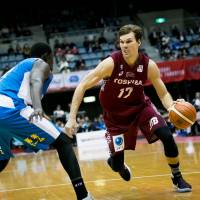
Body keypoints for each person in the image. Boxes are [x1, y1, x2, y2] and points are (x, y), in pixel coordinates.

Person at [66, 24, 192, 193]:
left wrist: (172, 107)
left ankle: (177, 177)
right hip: (114, 117)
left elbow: (163, 93)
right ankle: (117, 164)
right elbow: (82, 86)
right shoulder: (110, 64)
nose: (124, 45)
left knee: (166, 135)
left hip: (140, 108)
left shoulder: (148, 65)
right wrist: (72, 117)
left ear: (139, 42)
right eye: (121, 42)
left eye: (129, 41)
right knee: (117, 162)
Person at [0, 42, 93, 200]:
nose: (52, 62)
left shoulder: (20, 69)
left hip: (5, 111)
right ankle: (83, 196)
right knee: (63, 142)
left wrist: (42, 114)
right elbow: (35, 81)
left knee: (2, 158)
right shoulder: (40, 63)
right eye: (51, 58)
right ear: (46, 56)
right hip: (10, 108)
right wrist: (38, 106)